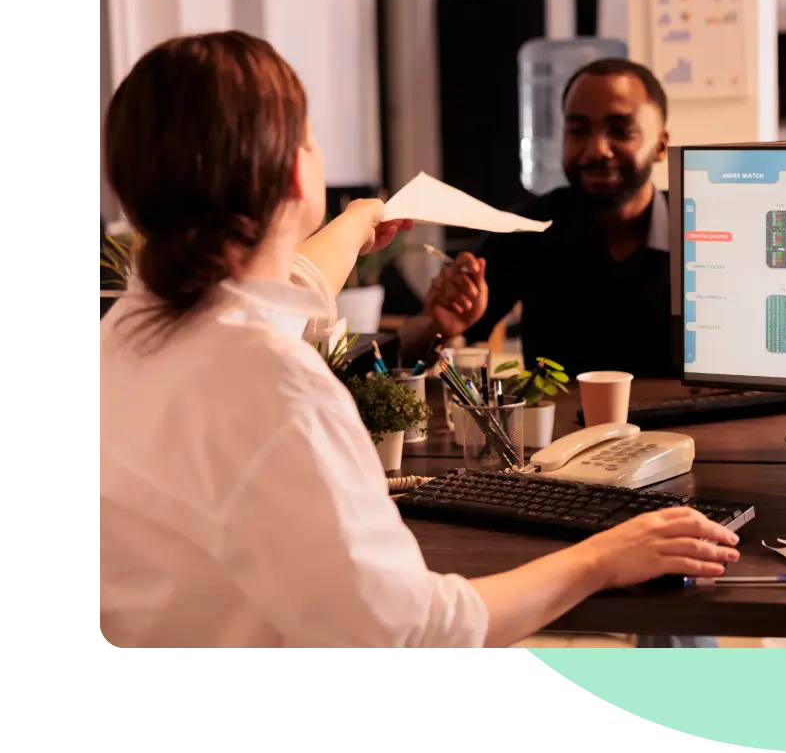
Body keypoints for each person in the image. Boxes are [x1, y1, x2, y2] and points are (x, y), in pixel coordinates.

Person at [97, 32, 740, 650]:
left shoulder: (125, 331)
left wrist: (356, 221)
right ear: (298, 172)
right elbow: (413, 632)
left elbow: (286, 285)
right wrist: (601, 557)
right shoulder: (275, 387)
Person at [399, 58, 676, 377]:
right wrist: (439, 325)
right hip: (559, 427)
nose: (596, 149)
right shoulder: (529, 228)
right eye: (577, 130)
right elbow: (406, 356)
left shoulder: (703, 230)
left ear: (660, 145)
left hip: (695, 426)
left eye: (620, 131)